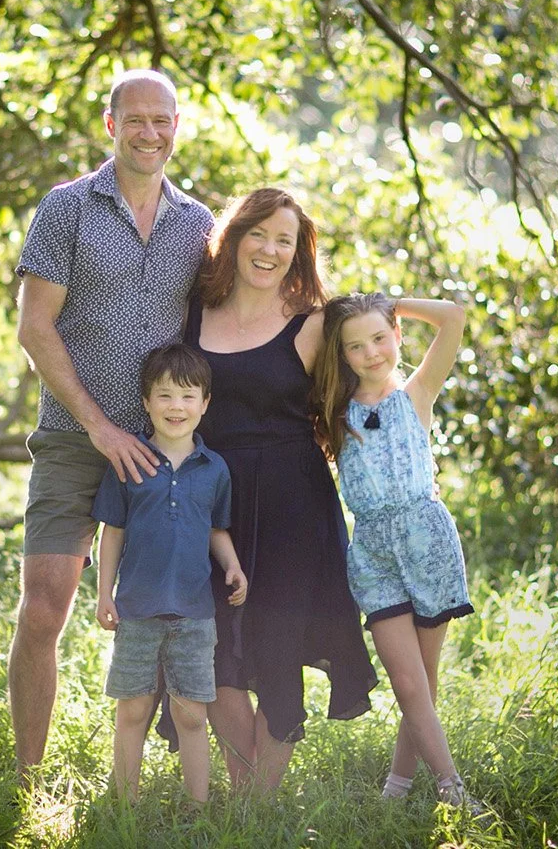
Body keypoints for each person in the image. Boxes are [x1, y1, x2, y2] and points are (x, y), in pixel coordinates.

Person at [9, 69, 214, 788]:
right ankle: (28, 780)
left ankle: (149, 772)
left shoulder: (198, 225)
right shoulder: (66, 208)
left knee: (163, 617)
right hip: (74, 438)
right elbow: (35, 329)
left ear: (176, 127)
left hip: (163, 451)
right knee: (44, 610)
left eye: (162, 121)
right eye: (136, 120)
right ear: (111, 125)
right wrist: (98, 427)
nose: (149, 133)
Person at [167, 188, 378, 791]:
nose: (269, 249)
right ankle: (245, 797)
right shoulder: (191, 314)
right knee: (213, 656)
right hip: (211, 504)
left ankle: (255, 809)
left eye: (285, 240)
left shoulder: (315, 325)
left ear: (298, 251)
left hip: (294, 505)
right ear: (232, 239)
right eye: (258, 233)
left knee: (278, 651)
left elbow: (370, 382)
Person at [312, 291, 483, 811]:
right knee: (407, 681)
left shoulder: (416, 394)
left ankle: (398, 785)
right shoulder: (332, 413)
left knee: (424, 681)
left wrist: (391, 304)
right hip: (374, 555)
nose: (371, 353)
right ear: (341, 355)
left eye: (380, 338)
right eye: (355, 346)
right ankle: (453, 788)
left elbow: (453, 317)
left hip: (428, 544)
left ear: (397, 335)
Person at [94, 343, 248, 803]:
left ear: (204, 403)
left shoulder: (214, 469)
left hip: (195, 615)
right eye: (164, 395)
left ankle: (198, 808)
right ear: (146, 402)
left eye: (187, 396)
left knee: (191, 717)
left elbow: (215, 529)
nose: (175, 406)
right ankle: (126, 807)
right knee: (132, 712)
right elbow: (113, 531)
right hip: (137, 610)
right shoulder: (130, 461)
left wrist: (233, 565)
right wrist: (104, 593)